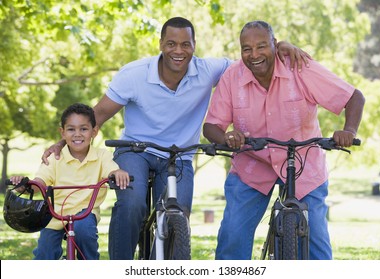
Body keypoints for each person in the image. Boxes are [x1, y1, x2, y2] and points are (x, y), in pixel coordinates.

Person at [41, 17, 310, 260]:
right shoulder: (133, 75)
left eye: (185, 44)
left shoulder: (209, 70)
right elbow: (97, 115)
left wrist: (280, 46)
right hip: (136, 150)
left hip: (179, 154)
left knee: (179, 213)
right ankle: (120, 267)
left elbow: (249, 62)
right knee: (132, 203)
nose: (178, 51)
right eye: (171, 43)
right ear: (160, 44)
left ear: (194, 46)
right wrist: (61, 144)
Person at [203, 20, 365, 260]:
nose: (254, 54)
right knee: (232, 239)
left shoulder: (299, 67)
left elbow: (354, 97)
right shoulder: (232, 77)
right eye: (246, 49)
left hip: (304, 164)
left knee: (317, 247)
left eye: (261, 46)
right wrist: (226, 136)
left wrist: (349, 131)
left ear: (275, 45)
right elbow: (211, 126)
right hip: (252, 166)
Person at [10, 103, 130, 260]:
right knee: (45, 252)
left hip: (86, 212)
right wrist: (24, 185)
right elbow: (39, 183)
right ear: (63, 133)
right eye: (71, 129)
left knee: (85, 232)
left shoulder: (102, 156)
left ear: (94, 131)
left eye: (84, 129)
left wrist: (117, 173)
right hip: (55, 214)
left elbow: (111, 170)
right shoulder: (54, 158)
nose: (77, 134)